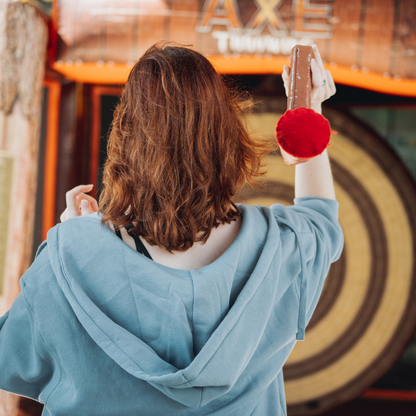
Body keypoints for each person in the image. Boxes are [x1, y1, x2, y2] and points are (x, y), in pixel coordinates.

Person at [0, 43, 342, 415]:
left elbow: (13, 358)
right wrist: (307, 113)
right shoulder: (279, 247)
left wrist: (75, 247)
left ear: (126, 139)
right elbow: (320, 218)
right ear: (226, 135)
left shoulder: (71, 254)